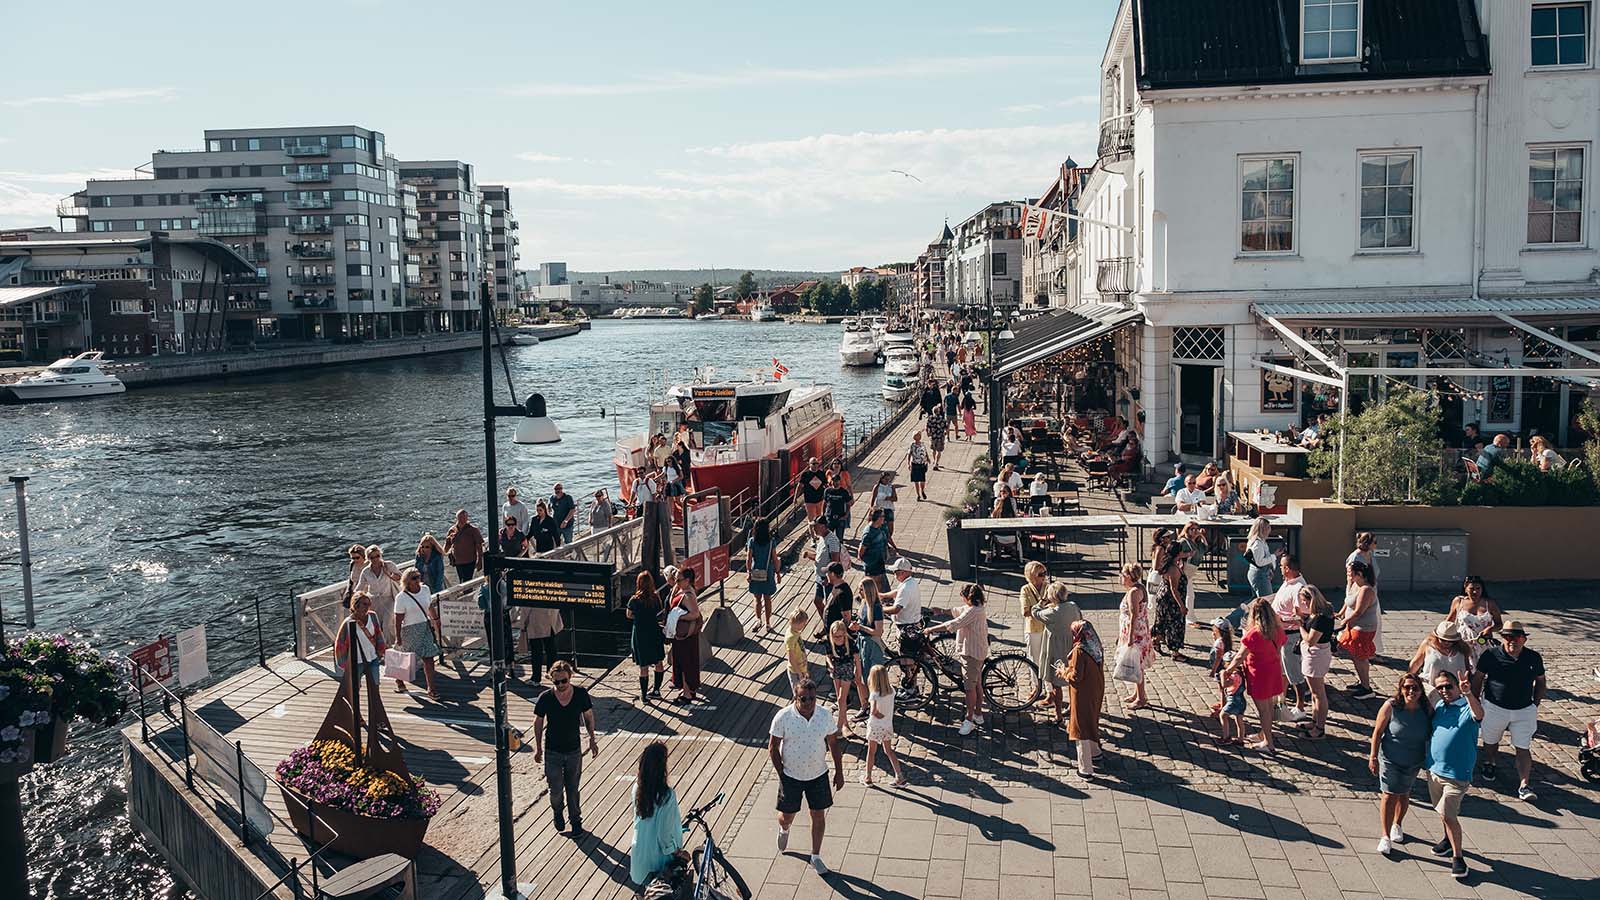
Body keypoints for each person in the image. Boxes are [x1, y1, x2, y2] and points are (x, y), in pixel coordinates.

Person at [769, 677, 845, 876]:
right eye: (804, 699)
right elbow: (773, 747)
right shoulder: (783, 717)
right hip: (791, 776)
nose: (809, 703)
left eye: (812, 698)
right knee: (786, 816)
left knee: (818, 816)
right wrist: (782, 773)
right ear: (795, 698)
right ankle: (784, 829)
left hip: (818, 774)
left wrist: (839, 771)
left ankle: (816, 856)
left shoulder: (824, 716)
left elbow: (834, 744)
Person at [1472, 620, 1546, 801]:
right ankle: (1490, 762)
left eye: (1517, 637)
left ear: (1524, 640)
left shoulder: (1533, 658)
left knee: (1523, 746)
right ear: (1502, 638)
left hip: (1523, 709)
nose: (1512, 641)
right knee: (1490, 741)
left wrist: (1535, 704)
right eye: (1508, 637)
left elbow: (1541, 681)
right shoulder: (1490, 655)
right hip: (1494, 707)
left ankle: (1524, 785)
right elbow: (1478, 678)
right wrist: (1474, 702)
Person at [1425, 670, 1484, 880]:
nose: (1444, 691)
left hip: (1457, 775)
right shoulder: (1440, 706)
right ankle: (1447, 841)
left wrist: (1469, 694)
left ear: (1458, 687)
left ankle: (1458, 858)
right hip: (1434, 770)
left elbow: (1479, 715)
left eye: (1448, 686)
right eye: (1439, 687)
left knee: (1448, 814)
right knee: (1442, 812)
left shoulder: (1467, 708)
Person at [533, 660, 599, 837]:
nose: (561, 685)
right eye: (556, 682)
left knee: (572, 787)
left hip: (573, 750)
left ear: (570, 677)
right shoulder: (545, 698)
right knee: (555, 789)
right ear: (551, 680)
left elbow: (588, 717)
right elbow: (538, 722)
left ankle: (576, 821)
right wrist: (538, 748)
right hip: (552, 750)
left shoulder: (580, 694)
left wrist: (592, 739)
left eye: (564, 681)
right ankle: (557, 811)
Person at [1370, 673, 1432, 857]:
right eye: (1407, 687)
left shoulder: (1427, 709)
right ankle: (1385, 836)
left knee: (1404, 793)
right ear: (1401, 689)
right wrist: (1373, 756)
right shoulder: (1391, 706)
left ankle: (1398, 823)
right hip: (1390, 757)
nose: (1411, 691)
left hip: (1414, 759)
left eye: (1415, 688)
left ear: (1421, 691)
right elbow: (1377, 732)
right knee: (1389, 794)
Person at [925, 584, 989, 736]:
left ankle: (969, 720)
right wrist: (941, 611)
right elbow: (957, 611)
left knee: (969, 688)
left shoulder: (974, 611)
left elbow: (953, 624)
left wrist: (931, 629)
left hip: (972, 654)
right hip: (977, 651)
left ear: (968, 597)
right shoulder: (976, 607)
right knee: (977, 683)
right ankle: (978, 715)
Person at [1225, 600, 1287, 752]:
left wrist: (1228, 670)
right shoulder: (1277, 630)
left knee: (1263, 710)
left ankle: (1268, 743)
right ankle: (1264, 735)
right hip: (1273, 671)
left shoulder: (1254, 634)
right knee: (1269, 707)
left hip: (1258, 674)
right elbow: (1278, 651)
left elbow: (1240, 656)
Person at [628, 741, 684, 887]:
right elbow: (664, 834)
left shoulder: (637, 789)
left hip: (640, 854)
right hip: (657, 860)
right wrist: (677, 852)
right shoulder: (667, 796)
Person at [1033, 582, 1084, 727]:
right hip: (1071, 646)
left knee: (1056, 683)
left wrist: (1042, 601)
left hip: (1056, 648)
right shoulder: (1073, 606)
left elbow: (1035, 611)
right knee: (1072, 681)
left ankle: (1058, 715)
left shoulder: (1052, 613)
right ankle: (1072, 708)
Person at [1063, 620, 1106, 777]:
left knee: (1080, 728)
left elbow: (1076, 676)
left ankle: (1085, 768)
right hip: (1096, 689)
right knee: (1091, 721)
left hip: (1082, 693)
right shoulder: (1095, 645)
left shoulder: (1079, 651)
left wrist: (1063, 672)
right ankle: (1095, 753)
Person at [392, 568, 441, 700]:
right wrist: (398, 637)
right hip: (409, 630)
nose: (417, 580)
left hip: (424, 627)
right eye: (414, 578)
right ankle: (399, 680)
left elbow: (429, 606)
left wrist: (436, 620)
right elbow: (397, 620)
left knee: (428, 658)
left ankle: (431, 688)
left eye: (418, 576)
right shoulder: (401, 597)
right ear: (407, 581)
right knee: (406, 658)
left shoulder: (425, 589)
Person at [1270, 554, 1309, 715]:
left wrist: (1282, 618)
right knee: (1283, 671)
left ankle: (1300, 706)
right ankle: (1282, 700)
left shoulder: (1299, 588)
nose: (1279, 569)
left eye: (1281, 566)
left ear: (1287, 568)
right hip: (1281, 633)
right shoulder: (1288, 583)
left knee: (1294, 673)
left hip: (1290, 635)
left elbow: (1304, 616)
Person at [1337, 559, 1380, 699]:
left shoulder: (1366, 589)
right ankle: (1362, 682)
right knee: (1356, 656)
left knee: (1360, 657)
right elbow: (1347, 601)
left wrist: (1344, 622)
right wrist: (1340, 613)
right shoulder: (1355, 584)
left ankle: (1367, 688)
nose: (1348, 575)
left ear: (1360, 574)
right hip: (1354, 625)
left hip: (1363, 627)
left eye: (1351, 573)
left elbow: (1359, 611)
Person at [1114, 563, 1153, 709]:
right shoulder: (1139, 587)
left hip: (1135, 632)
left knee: (1136, 664)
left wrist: (1129, 638)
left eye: (1123, 575)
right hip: (1140, 630)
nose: (1121, 578)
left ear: (1129, 577)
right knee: (1136, 663)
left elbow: (1133, 616)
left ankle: (1141, 698)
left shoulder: (1133, 593)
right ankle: (1137, 693)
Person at [1299, 585, 1336, 739]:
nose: (1304, 605)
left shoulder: (1321, 618)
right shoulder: (1324, 611)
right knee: (1315, 694)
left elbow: (1310, 640)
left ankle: (1319, 728)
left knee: (1318, 694)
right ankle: (1315, 721)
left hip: (1316, 655)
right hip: (1316, 654)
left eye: (1304, 601)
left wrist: (1300, 626)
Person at [861, 665, 906, 786]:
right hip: (887, 725)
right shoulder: (891, 690)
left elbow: (873, 711)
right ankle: (899, 776)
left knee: (871, 752)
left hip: (876, 725)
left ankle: (868, 777)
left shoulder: (874, 694)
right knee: (889, 751)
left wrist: (877, 714)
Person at [1408, 621, 1473, 706]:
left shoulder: (1462, 650)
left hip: (1454, 693)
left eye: (1450, 641)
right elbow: (1415, 665)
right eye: (1443, 640)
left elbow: (1467, 671)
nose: (1446, 643)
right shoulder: (1428, 645)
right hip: (1431, 690)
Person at [626, 570, 667, 701]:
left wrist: (639, 616)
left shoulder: (635, 599)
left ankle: (644, 695)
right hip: (654, 631)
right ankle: (656, 690)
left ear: (638, 583)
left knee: (643, 666)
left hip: (640, 633)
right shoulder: (656, 597)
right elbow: (659, 612)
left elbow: (629, 615)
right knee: (658, 661)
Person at [1148, 530, 1188, 660]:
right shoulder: (1173, 569)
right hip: (1170, 600)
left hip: (1164, 597)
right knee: (1174, 624)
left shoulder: (1171, 564)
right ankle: (1175, 652)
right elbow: (1174, 589)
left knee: (1162, 622)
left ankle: (1155, 641)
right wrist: (1182, 605)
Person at [668, 567, 704, 704]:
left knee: (685, 663)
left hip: (685, 636)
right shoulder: (682, 590)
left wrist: (679, 617)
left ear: (687, 580)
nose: (676, 582)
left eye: (679, 580)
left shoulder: (688, 595)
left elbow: (694, 613)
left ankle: (687, 694)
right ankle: (686, 689)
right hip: (683, 635)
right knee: (684, 662)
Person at [803, 517, 846, 629]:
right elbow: (820, 557)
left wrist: (829, 577)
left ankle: (833, 627)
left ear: (822, 526)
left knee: (830, 606)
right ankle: (827, 625)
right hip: (819, 577)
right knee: (817, 601)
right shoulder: (822, 538)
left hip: (827, 579)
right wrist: (809, 555)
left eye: (815, 526)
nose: (813, 528)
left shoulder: (832, 540)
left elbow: (835, 561)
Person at [334, 591, 386, 681]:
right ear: (356, 604)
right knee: (354, 688)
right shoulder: (348, 622)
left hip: (372, 657)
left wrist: (381, 651)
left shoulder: (373, 616)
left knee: (375, 685)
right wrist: (344, 664)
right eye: (364, 604)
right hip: (356, 661)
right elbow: (340, 644)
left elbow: (378, 634)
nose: (367, 607)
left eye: (369, 604)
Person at [1450, 576, 1503, 664]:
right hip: (1463, 643)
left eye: (1478, 588)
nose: (1475, 592)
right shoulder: (1459, 601)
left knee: (1482, 670)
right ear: (1465, 588)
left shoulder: (1489, 603)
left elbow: (1499, 624)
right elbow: (1449, 622)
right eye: (1471, 589)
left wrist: (1490, 629)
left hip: (1483, 643)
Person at [354, 545, 402, 641]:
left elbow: (400, 577)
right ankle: (383, 648)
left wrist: (388, 573)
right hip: (374, 602)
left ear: (381, 555)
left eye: (377, 556)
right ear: (368, 559)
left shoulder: (389, 565)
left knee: (387, 625)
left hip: (389, 599)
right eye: (372, 557)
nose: (375, 559)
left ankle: (392, 646)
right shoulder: (366, 571)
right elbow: (359, 588)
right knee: (377, 627)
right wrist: (355, 600)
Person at [826, 620, 866, 735]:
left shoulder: (850, 643)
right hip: (836, 669)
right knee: (839, 697)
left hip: (847, 669)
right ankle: (845, 725)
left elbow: (857, 658)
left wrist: (858, 672)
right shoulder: (830, 642)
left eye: (840, 636)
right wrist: (830, 664)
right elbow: (828, 655)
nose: (838, 639)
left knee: (841, 698)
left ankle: (839, 725)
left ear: (844, 634)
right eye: (835, 636)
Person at [851, 578, 889, 692]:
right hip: (862, 642)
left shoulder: (876, 608)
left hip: (872, 644)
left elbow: (878, 631)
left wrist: (860, 627)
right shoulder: (864, 603)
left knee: (872, 676)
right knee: (862, 673)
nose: (859, 592)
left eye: (861, 590)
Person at [746, 517, 781, 632]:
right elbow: (775, 559)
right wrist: (778, 572)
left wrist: (748, 572)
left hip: (756, 571)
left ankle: (757, 620)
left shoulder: (752, 541)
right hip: (768, 572)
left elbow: (749, 559)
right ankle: (768, 623)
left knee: (757, 599)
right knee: (767, 599)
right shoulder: (771, 542)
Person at [1019, 562, 1050, 688]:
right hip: (1033, 629)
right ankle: (1037, 687)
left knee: (1048, 659)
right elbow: (1025, 611)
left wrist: (1036, 609)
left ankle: (1050, 689)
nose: (1044, 576)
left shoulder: (1048, 587)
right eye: (1041, 574)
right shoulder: (1025, 589)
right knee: (1034, 659)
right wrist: (1042, 605)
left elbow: (1054, 605)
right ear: (1032, 575)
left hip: (1048, 628)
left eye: (1045, 573)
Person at [517, 605, 564, 684]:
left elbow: (526, 606)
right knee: (551, 648)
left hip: (535, 619)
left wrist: (522, 622)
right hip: (551, 616)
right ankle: (552, 673)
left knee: (536, 651)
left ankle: (536, 678)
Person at [858, 508, 894, 592]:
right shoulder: (869, 533)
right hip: (872, 562)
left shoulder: (879, 528)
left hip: (879, 560)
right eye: (883, 516)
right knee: (873, 583)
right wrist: (863, 558)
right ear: (878, 518)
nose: (884, 518)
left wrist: (889, 548)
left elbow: (883, 540)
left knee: (880, 582)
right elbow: (862, 549)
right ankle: (870, 598)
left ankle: (879, 598)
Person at [444, 509, 484, 584]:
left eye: (464, 518)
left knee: (467, 581)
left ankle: (467, 593)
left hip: (470, 561)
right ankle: (465, 593)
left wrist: (480, 561)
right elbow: (447, 545)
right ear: (457, 518)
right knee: (461, 580)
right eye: (461, 518)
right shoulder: (452, 530)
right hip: (457, 561)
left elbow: (479, 546)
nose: (463, 520)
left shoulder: (473, 530)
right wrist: (442, 553)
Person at [1243, 518, 1276, 600]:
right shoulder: (1257, 544)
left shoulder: (1259, 541)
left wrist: (1269, 569)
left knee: (1257, 602)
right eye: (1268, 527)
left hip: (1260, 573)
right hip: (1260, 575)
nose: (1270, 530)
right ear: (1263, 529)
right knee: (1267, 601)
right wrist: (1274, 556)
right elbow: (1260, 562)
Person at [784, 609, 811, 696]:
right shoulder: (791, 638)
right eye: (803, 623)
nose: (804, 625)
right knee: (798, 693)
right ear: (798, 623)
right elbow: (791, 658)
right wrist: (799, 673)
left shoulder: (795, 632)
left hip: (802, 667)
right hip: (796, 671)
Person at [822, 471, 853, 542]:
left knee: (839, 540)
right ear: (831, 481)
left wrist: (846, 515)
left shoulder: (844, 492)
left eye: (837, 481)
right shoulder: (827, 491)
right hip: (829, 517)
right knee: (828, 538)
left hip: (840, 518)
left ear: (839, 481)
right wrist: (823, 514)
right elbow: (824, 503)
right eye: (834, 480)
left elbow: (849, 504)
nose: (835, 482)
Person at [871, 472, 899, 541]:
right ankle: (883, 541)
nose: (887, 481)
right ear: (882, 479)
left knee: (890, 528)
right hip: (880, 509)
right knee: (880, 527)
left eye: (889, 479)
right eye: (886, 479)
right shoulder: (877, 487)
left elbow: (895, 498)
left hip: (889, 508)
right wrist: (871, 508)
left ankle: (887, 539)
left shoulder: (891, 487)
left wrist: (889, 498)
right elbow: (873, 498)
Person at [799, 458, 827, 522]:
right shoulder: (805, 474)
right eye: (813, 464)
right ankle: (812, 532)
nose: (815, 465)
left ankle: (817, 531)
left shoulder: (822, 473)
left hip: (820, 499)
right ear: (809, 464)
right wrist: (795, 498)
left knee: (819, 517)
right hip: (809, 500)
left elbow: (826, 485)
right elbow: (799, 486)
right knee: (811, 519)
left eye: (817, 463)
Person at [906, 432, 930, 501]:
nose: (918, 437)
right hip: (915, 464)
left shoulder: (922, 444)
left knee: (922, 480)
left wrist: (927, 458)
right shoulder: (912, 445)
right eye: (916, 436)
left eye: (919, 436)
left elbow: (925, 451)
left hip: (922, 463)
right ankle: (918, 495)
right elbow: (909, 454)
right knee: (916, 481)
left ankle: (922, 491)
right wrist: (908, 463)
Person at [927, 404, 948, 469]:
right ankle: (936, 463)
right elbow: (946, 427)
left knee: (933, 450)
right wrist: (946, 433)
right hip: (940, 436)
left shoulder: (930, 418)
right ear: (938, 411)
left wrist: (928, 433)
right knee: (939, 451)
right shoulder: (941, 418)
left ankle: (934, 461)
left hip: (933, 436)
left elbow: (927, 427)